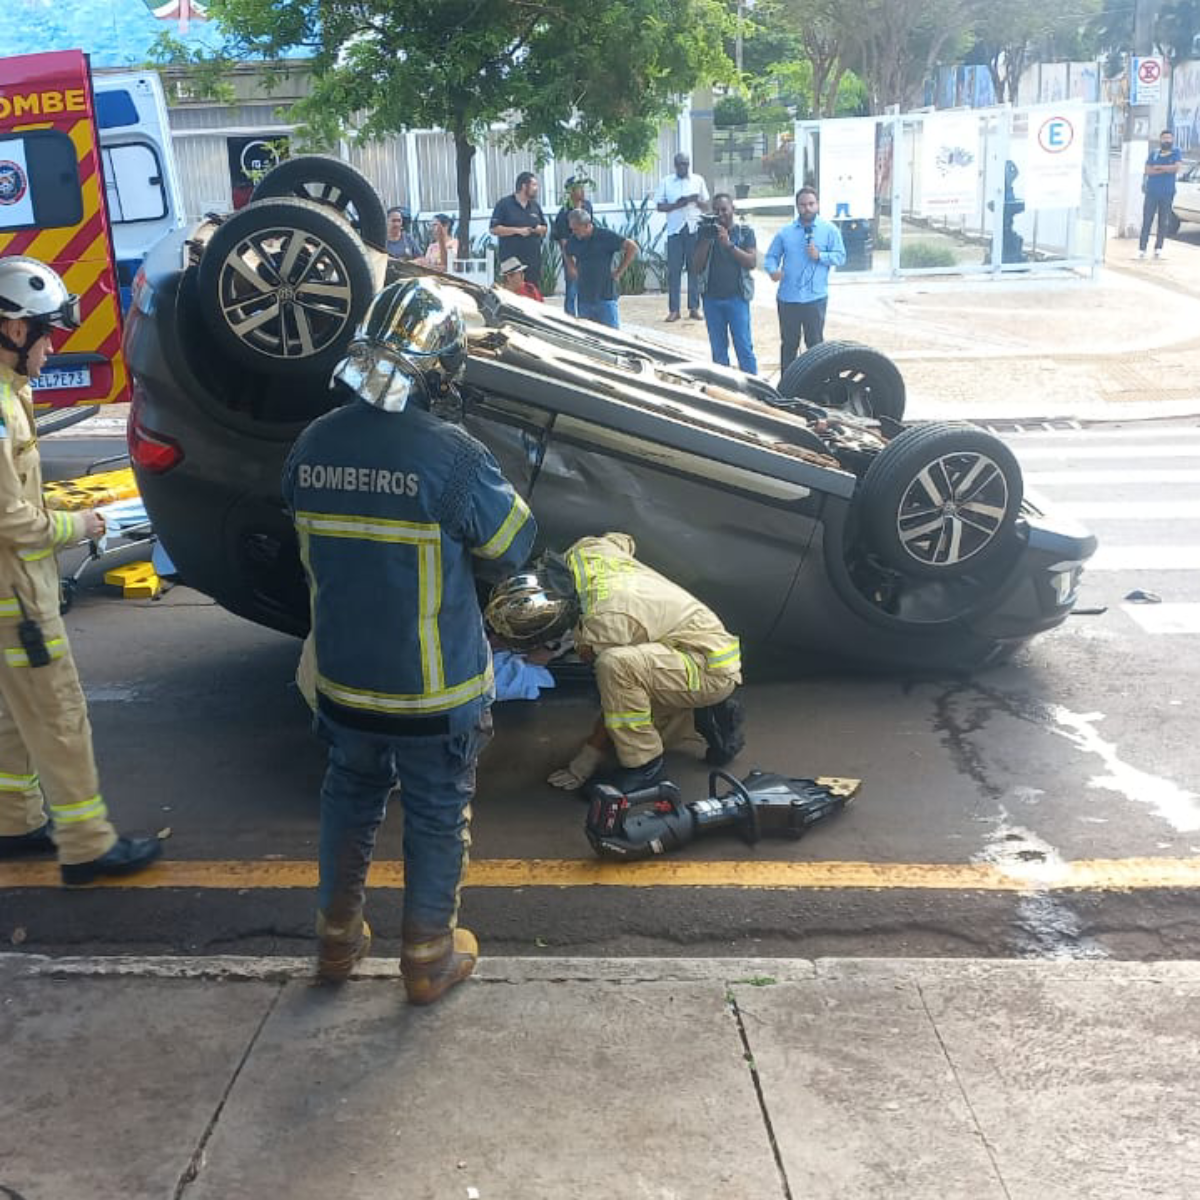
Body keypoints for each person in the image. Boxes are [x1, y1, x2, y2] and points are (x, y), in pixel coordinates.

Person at [283, 277, 536, 1005]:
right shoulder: (449, 456)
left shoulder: (312, 443)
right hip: (434, 692)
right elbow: (515, 543)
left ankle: (335, 942)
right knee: (433, 810)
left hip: (343, 684)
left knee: (350, 798)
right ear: (438, 371)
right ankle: (427, 957)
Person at [0, 257, 162, 885]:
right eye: (46, 333)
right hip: (19, 600)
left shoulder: (11, 394)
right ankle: (88, 845)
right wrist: (82, 527)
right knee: (60, 716)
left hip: (7, 598)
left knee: (14, 718)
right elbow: (11, 519)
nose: (52, 346)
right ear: (13, 330)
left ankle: (12, 823)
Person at [485, 532, 745, 795]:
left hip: (708, 669)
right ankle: (708, 712)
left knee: (614, 669)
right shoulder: (584, 551)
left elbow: (617, 698)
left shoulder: (602, 629)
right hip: (699, 636)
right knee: (632, 673)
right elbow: (624, 540)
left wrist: (587, 758)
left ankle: (646, 769)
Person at [764, 186, 846, 371]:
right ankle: (787, 386)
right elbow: (771, 257)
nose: (807, 208)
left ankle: (818, 384)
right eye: (803, 205)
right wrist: (772, 271)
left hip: (815, 298)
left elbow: (840, 257)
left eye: (811, 204)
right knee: (789, 344)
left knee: (815, 344)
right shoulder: (785, 232)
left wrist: (820, 256)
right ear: (797, 207)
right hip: (789, 297)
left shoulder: (829, 230)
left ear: (817, 205)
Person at [692, 193, 758, 374]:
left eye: (724, 210)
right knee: (718, 351)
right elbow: (696, 267)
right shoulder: (705, 232)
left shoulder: (745, 232)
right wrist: (706, 239)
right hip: (712, 300)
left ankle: (754, 388)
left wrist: (728, 244)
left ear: (732, 210)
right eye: (716, 210)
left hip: (737, 298)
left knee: (744, 348)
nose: (720, 214)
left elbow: (752, 262)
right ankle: (724, 388)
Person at [654, 152, 709, 322]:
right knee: (674, 271)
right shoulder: (666, 182)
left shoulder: (698, 180)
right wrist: (678, 204)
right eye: (679, 164)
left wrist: (694, 200)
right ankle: (674, 310)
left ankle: (694, 308)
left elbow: (706, 205)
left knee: (694, 269)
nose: (682, 167)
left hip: (693, 229)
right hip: (675, 232)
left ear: (689, 164)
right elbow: (659, 206)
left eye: (685, 164)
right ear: (674, 165)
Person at [563, 209, 637, 329]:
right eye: (572, 229)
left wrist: (619, 272)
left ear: (587, 225)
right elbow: (566, 251)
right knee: (588, 336)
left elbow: (632, 247)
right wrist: (571, 267)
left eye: (576, 229)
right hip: (584, 297)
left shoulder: (605, 236)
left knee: (613, 336)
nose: (574, 232)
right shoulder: (574, 240)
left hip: (605, 295)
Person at [489, 172, 547, 282]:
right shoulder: (504, 204)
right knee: (514, 296)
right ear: (524, 186)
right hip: (512, 261)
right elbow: (494, 229)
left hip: (533, 260)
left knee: (532, 292)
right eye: (534, 185)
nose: (536, 188)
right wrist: (517, 231)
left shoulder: (535, 206)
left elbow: (545, 228)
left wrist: (539, 230)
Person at [553, 176, 593, 316]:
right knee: (572, 287)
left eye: (582, 187)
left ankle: (585, 315)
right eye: (578, 188)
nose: (582, 191)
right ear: (570, 191)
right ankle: (569, 316)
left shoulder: (587, 206)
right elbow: (563, 241)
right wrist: (570, 263)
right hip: (572, 254)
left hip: (588, 253)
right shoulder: (564, 212)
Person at [1139, 129, 1182, 260]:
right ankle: (1142, 248)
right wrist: (1165, 169)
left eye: (1169, 138)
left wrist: (1159, 168)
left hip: (1167, 193)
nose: (1167, 140)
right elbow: (1147, 170)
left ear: (1172, 140)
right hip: (1152, 192)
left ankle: (1158, 248)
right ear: (1160, 139)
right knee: (1147, 220)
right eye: (1164, 138)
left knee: (1163, 221)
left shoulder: (1176, 152)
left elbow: (1176, 168)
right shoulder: (1154, 153)